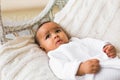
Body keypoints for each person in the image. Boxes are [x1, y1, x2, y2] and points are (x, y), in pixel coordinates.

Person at [35, 21, 120, 80]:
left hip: (108, 63)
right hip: (91, 75)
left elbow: (92, 43)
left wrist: (106, 47)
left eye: (57, 31)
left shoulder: (76, 41)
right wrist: (81, 68)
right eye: (48, 36)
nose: (55, 35)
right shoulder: (54, 56)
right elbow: (62, 70)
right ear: (43, 49)